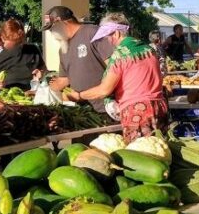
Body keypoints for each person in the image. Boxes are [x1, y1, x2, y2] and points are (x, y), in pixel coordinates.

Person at [64, 13, 167, 142]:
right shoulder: (149, 49)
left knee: (141, 153)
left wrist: (79, 96)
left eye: (107, 36)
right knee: (161, 150)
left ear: (116, 33)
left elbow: (104, 90)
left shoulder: (120, 55)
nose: (107, 40)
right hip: (159, 106)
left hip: (138, 111)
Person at [43, 6, 114, 112]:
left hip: (107, 107)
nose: (51, 33)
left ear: (60, 22)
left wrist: (103, 90)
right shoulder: (63, 48)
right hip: (82, 110)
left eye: (51, 28)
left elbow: (116, 66)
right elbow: (64, 79)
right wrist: (45, 90)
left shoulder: (92, 33)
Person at [0, 19, 45, 92]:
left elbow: (43, 68)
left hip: (32, 96)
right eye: (11, 45)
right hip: (7, 99)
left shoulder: (33, 49)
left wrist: (42, 73)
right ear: (3, 38)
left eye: (18, 44)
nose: (16, 48)